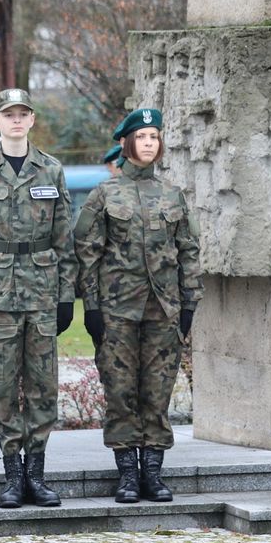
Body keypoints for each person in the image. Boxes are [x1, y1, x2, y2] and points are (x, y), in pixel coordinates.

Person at [74, 108, 203, 505]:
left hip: (163, 310)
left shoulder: (172, 194)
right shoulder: (104, 195)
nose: (149, 143)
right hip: (117, 312)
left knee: (158, 391)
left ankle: (153, 473)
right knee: (120, 390)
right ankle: (127, 474)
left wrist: (188, 303)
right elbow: (86, 253)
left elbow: (189, 251)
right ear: (125, 143)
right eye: (142, 137)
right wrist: (92, 307)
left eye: (154, 137)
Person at [0, 89, 76, 509]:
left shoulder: (51, 170)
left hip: (43, 293)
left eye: (22, 114)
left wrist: (67, 296)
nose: (15, 120)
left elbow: (65, 239)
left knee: (44, 385)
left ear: (31, 121)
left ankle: (37, 475)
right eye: (8, 114)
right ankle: (12, 475)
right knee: (4, 387)